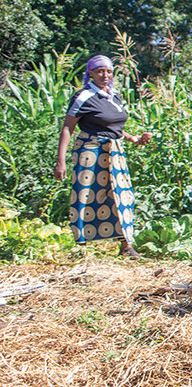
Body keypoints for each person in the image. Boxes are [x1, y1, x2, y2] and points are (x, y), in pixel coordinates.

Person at [54, 55, 153, 259]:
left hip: (115, 152)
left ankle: (126, 246)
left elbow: (113, 128)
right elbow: (67, 128)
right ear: (90, 73)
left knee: (123, 196)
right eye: (99, 71)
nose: (105, 75)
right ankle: (81, 248)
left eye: (108, 71)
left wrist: (133, 139)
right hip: (90, 151)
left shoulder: (114, 96)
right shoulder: (82, 97)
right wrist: (60, 161)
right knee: (86, 195)